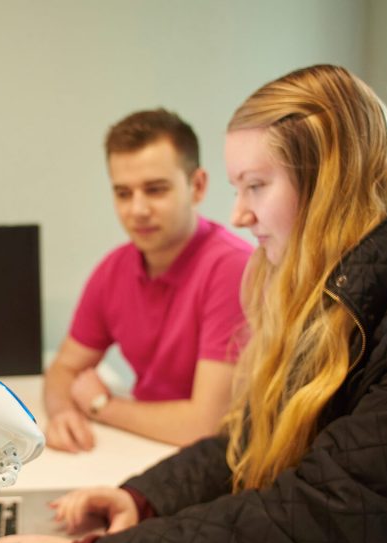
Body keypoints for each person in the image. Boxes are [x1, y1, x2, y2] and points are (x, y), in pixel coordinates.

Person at [0, 64, 387, 543]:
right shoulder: (352, 293)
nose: (239, 214)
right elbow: (255, 434)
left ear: (332, 182)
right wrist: (145, 498)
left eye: (257, 186)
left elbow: (330, 519)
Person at [44, 109, 253, 452]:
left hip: (215, 466)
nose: (137, 209)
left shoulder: (234, 269)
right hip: (146, 449)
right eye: (123, 193)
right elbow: (63, 370)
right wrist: (63, 412)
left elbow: (205, 425)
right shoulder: (114, 269)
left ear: (197, 186)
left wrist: (103, 406)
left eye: (155, 190)